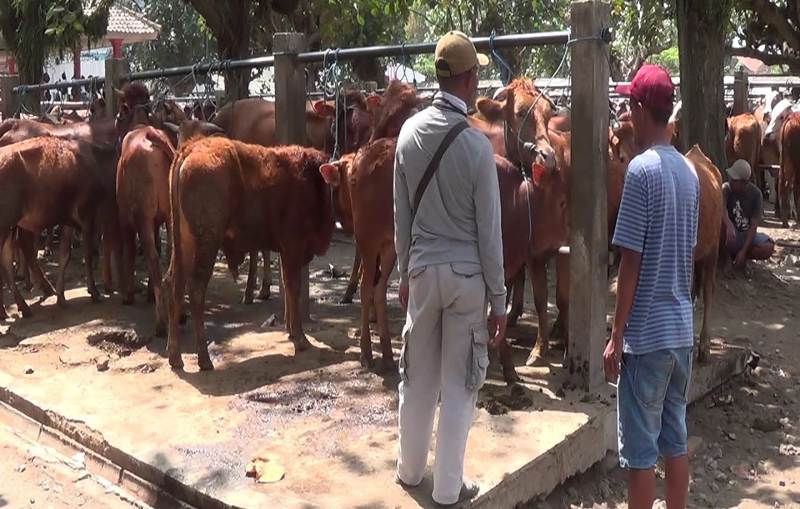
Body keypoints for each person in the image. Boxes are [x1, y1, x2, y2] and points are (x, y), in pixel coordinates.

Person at [393, 31, 507, 506]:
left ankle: (409, 470)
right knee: (460, 384)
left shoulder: (407, 134)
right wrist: (499, 300)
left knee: (416, 377)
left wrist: (405, 272)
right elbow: (490, 234)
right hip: (465, 280)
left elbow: (402, 216)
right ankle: (447, 490)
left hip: (421, 270)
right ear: (468, 79)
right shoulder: (478, 148)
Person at [605, 64, 700, 509]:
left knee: (640, 454)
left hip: (646, 337)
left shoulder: (640, 172)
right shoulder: (690, 174)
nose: (627, 113)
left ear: (643, 110)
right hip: (681, 330)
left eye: (629, 105)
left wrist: (617, 334)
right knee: (675, 439)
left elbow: (631, 262)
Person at [723, 159, 775, 274]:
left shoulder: (756, 194)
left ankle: (742, 257)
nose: (731, 181)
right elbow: (721, 209)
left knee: (768, 247)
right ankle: (726, 257)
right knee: (721, 230)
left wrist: (744, 252)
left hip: (746, 236)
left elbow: (753, 226)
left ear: (744, 183)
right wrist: (729, 224)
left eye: (735, 180)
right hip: (730, 235)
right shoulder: (726, 189)